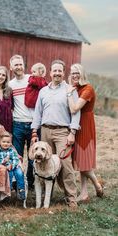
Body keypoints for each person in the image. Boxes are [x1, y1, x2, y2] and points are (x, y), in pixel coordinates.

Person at [31, 59, 81, 208]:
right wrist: (35, 131)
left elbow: (76, 113)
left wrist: (72, 132)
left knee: (65, 165)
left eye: (60, 70)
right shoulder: (43, 91)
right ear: (50, 72)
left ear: (63, 73)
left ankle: (71, 198)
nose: (57, 73)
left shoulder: (70, 90)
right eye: (55, 70)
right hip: (45, 130)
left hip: (62, 132)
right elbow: (37, 112)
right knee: (45, 163)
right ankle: (47, 197)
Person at [67, 63, 104, 202]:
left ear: (82, 74)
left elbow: (74, 108)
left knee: (84, 160)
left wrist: (69, 93)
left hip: (85, 124)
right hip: (75, 125)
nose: (74, 75)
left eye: (77, 72)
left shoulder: (87, 89)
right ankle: (84, 193)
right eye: (72, 73)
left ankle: (96, 184)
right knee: (81, 161)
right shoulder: (74, 88)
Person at [8, 55, 34, 189]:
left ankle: (30, 182)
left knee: (32, 156)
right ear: (11, 67)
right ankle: (17, 182)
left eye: (20, 64)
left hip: (33, 123)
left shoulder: (31, 80)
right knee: (17, 156)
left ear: (24, 65)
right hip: (17, 124)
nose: (18, 67)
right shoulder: (10, 85)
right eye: (15, 65)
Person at [0, 131, 25, 200]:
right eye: (4, 142)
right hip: (5, 167)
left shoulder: (12, 150)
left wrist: (12, 165)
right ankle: (9, 190)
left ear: (11, 143)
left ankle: (21, 189)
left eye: (8, 142)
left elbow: (16, 159)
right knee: (9, 175)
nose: (6, 144)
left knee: (20, 173)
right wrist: (4, 161)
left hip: (14, 166)